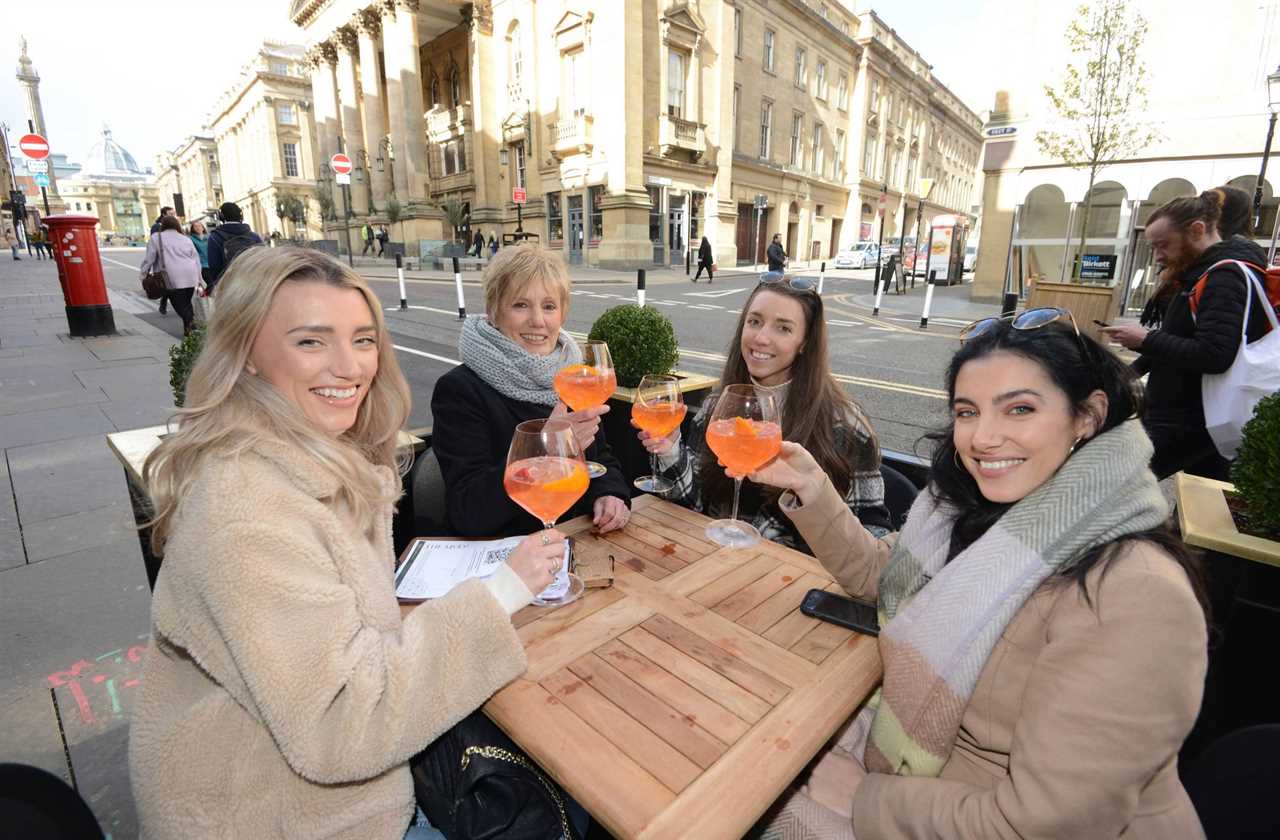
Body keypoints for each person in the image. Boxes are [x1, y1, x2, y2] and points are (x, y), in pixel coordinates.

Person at [130, 246, 567, 839]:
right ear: (248, 353)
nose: (350, 366)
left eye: (363, 340)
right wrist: (502, 592)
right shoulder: (245, 508)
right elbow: (342, 722)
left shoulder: (314, 454)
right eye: (311, 341)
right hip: (284, 816)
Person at [747, 311, 1208, 838]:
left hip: (954, 809)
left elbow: (1039, 824)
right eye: (968, 412)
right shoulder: (965, 510)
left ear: (1088, 416)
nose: (984, 437)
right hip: (909, 759)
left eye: (1019, 409)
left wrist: (865, 798)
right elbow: (886, 579)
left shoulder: (1137, 593)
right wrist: (812, 488)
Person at [640, 276, 889, 552]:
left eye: (783, 328)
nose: (761, 338)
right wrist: (671, 449)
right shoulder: (717, 409)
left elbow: (871, 539)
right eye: (754, 321)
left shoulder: (844, 425)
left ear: (804, 342)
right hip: (714, 566)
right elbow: (696, 506)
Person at [431, 242, 632, 538]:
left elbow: (600, 458)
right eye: (520, 305)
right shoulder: (460, 391)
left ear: (562, 314)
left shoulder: (573, 379)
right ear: (494, 312)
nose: (538, 321)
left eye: (549, 306)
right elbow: (468, 510)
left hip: (579, 540)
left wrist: (610, 494)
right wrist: (548, 450)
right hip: (508, 556)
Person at [1101, 188, 1270, 480]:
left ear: (1197, 230)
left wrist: (1145, 339)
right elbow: (1180, 341)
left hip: (1191, 418)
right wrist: (1126, 374)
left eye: (1163, 245)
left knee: (1111, 483)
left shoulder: (1223, 276)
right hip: (1198, 416)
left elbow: (1215, 354)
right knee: (1203, 498)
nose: (1157, 256)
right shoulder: (1201, 272)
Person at [141, 216, 202, 336]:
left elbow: (149, 259)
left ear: (163, 226)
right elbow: (196, 259)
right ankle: (188, 331)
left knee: (179, 305)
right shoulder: (186, 239)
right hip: (190, 274)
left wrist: (143, 274)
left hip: (171, 277)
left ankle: (192, 324)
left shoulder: (156, 238)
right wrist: (199, 278)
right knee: (186, 302)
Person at [206, 202, 263, 291]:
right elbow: (264, 260)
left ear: (221, 216)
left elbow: (214, 267)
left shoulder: (214, 237)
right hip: (254, 282)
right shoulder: (254, 236)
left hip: (230, 286)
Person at [188, 221, 212, 323]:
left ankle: (209, 305)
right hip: (201, 266)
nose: (198, 228)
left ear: (203, 227)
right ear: (193, 229)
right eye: (195, 226)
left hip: (211, 264)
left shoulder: (209, 237)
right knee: (208, 285)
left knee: (211, 286)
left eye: (199, 226)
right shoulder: (191, 239)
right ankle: (205, 307)